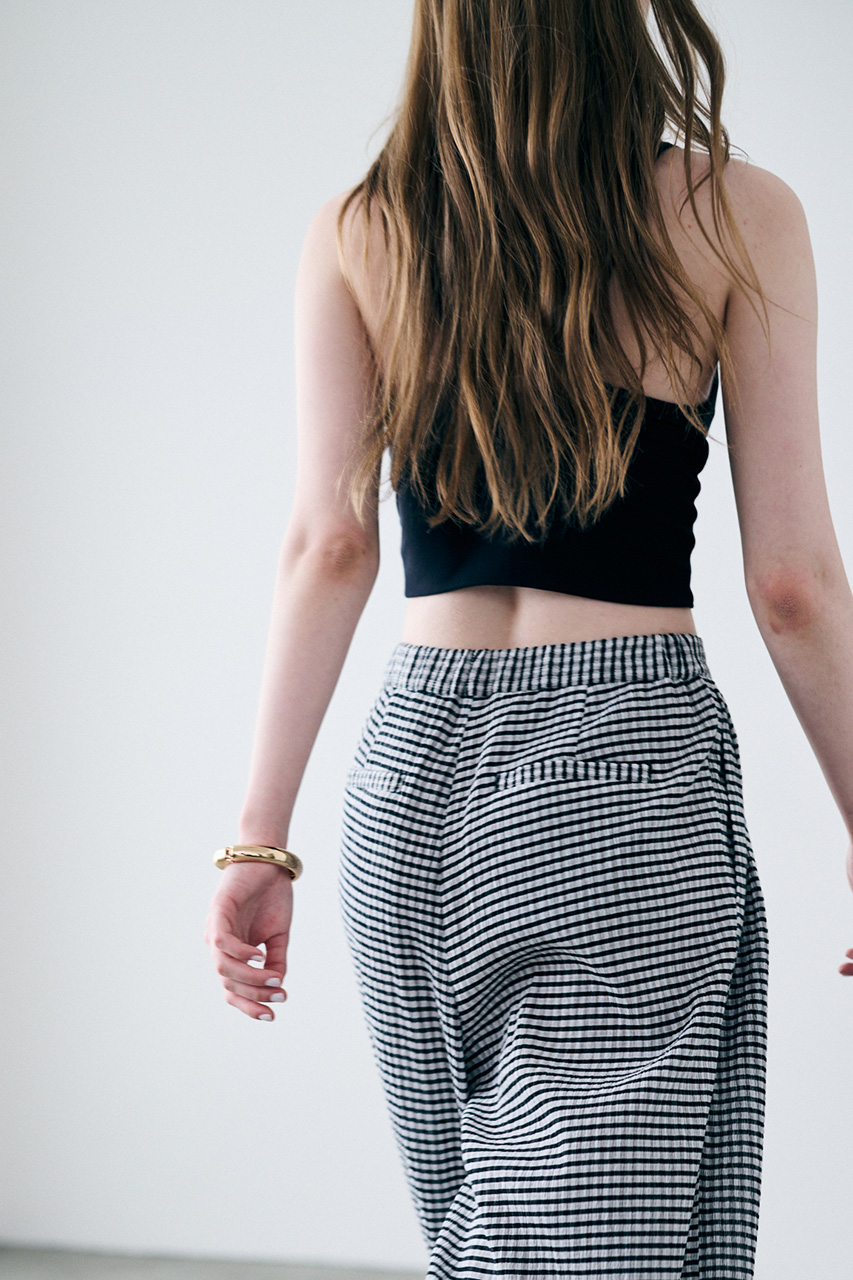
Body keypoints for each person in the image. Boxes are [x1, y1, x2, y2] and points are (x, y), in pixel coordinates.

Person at [205, 1, 853, 1274]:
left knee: (491, 1235)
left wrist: (259, 839)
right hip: (624, 774)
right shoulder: (734, 212)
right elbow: (791, 584)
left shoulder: (362, 227)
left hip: (410, 781)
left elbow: (328, 547)